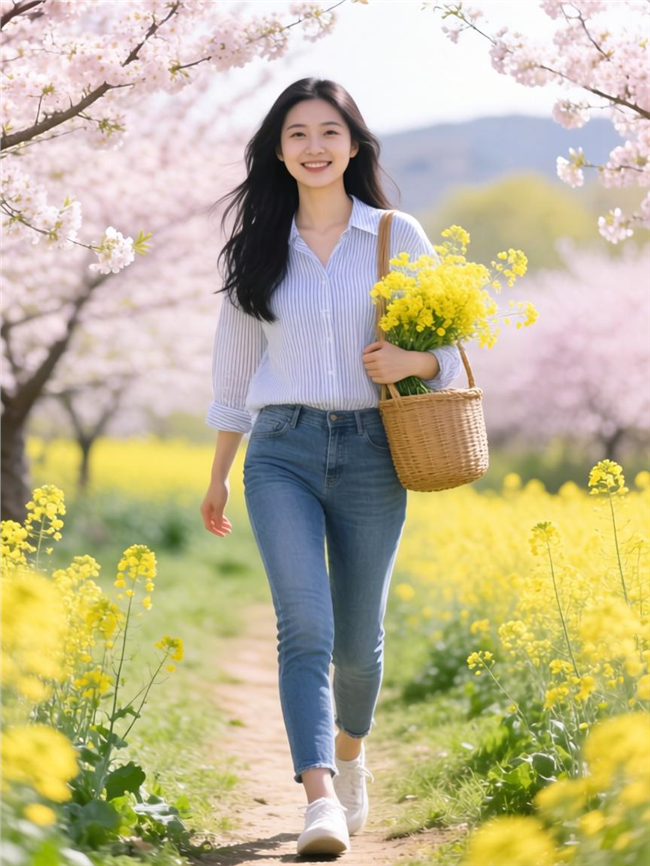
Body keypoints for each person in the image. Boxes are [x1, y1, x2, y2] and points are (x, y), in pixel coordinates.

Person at [199, 77, 462, 857]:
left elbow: (451, 355)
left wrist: (411, 356)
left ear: (354, 145)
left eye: (329, 132)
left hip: (375, 450)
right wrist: (218, 473)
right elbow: (231, 377)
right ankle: (318, 796)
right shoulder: (256, 251)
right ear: (277, 152)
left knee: (359, 642)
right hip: (280, 450)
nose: (314, 148)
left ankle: (350, 755)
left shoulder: (394, 235)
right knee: (303, 626)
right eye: (297, 135)